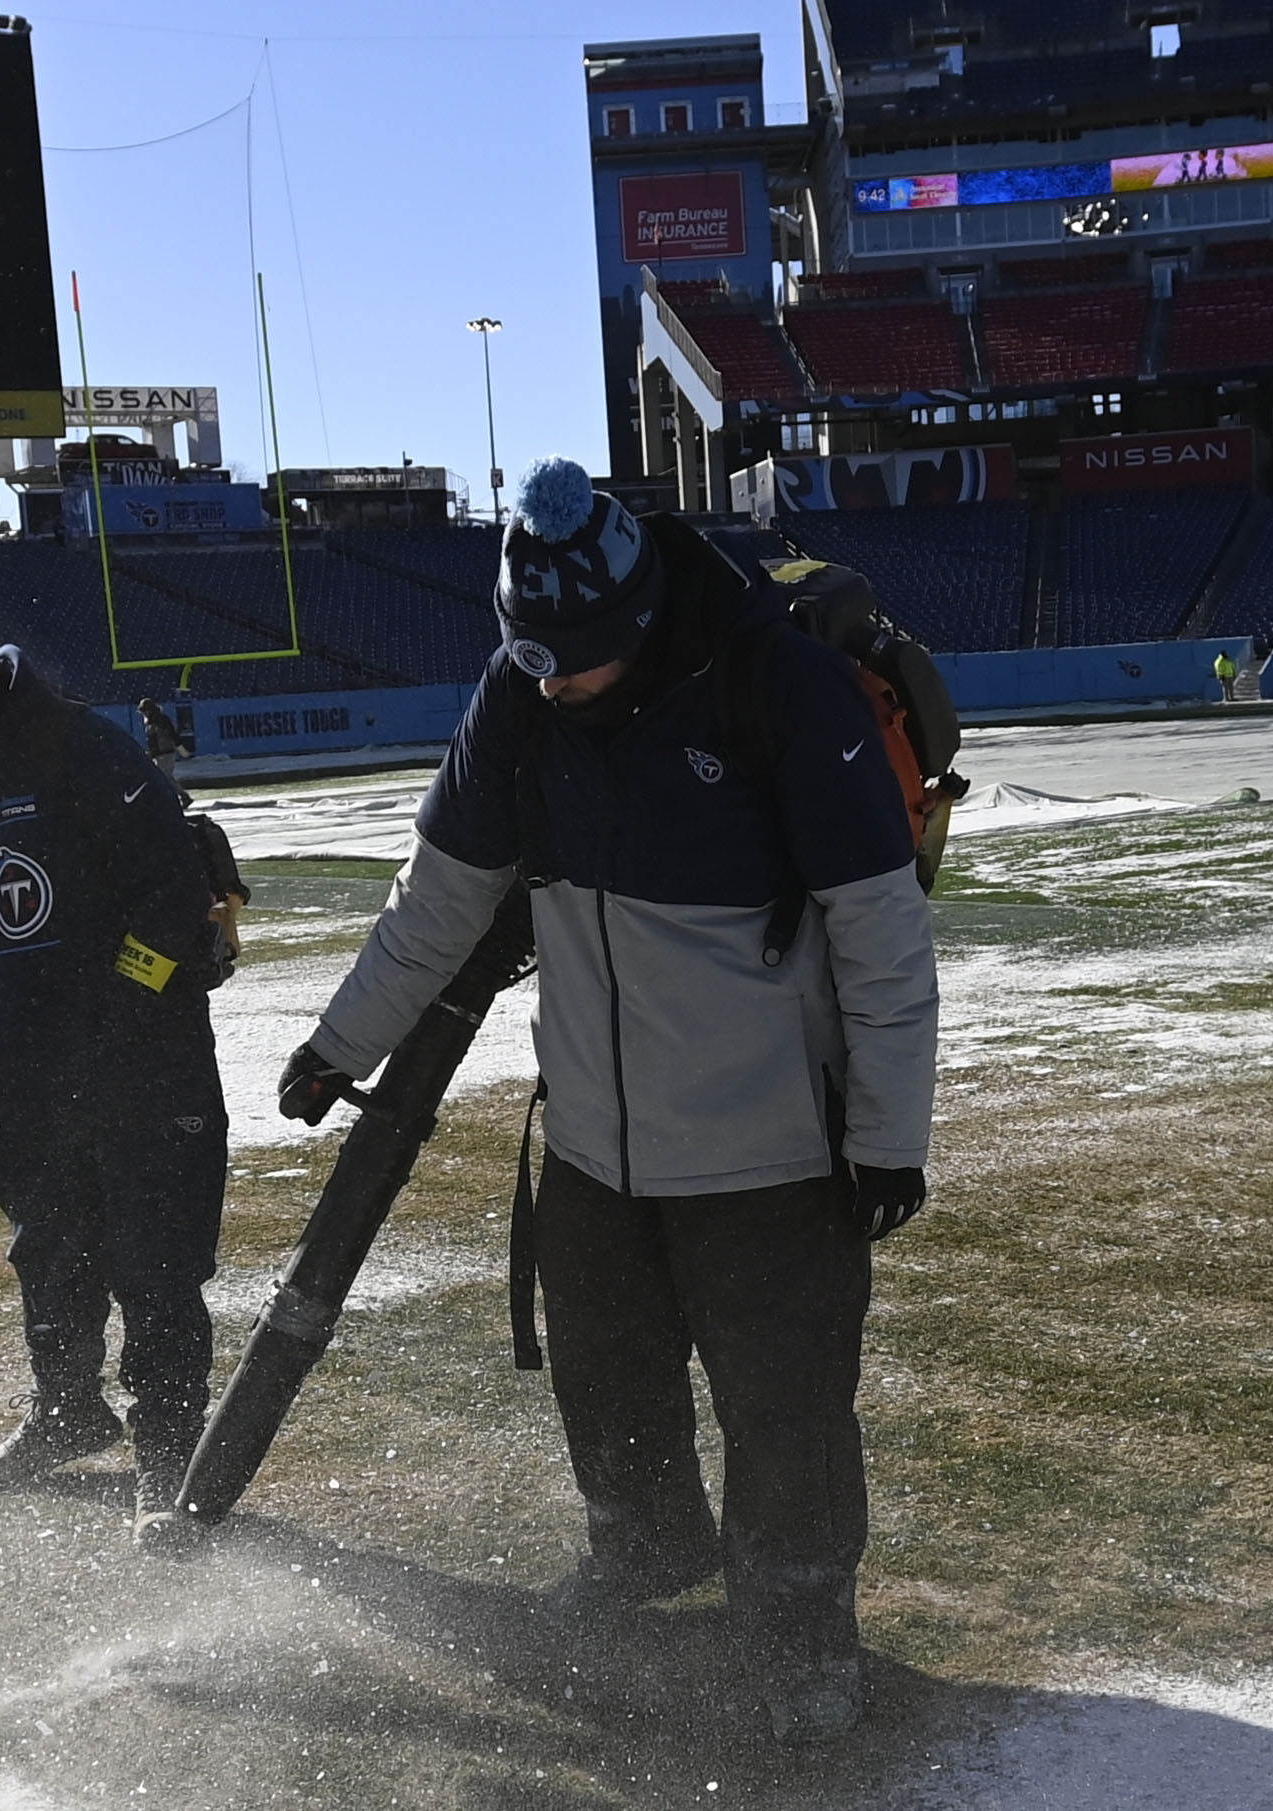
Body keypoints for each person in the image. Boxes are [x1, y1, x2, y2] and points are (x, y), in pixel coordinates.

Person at [275, 459, 939, 1744]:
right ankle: (643, 1558)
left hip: (771, 1155)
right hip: (593, 1144)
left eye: (568, 661)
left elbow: (879, 928)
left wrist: (888, 1136)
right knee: (608, 1380)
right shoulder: (521, 693)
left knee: (783, 1409)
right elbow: (438, 902)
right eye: (525, 657)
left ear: (634, 629)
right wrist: (336, 1044)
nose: (546, 682)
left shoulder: (771, 685)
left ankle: (802, 1637)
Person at [0, 545, 231, 1549]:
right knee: (50, 1254)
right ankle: (69, 1410)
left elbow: (173, 899)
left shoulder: (82, 749)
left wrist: (114, 1018)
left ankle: (168, 1458)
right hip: (20, 1078)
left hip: (141, 1065)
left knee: (154, 1265)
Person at [138, 698, 185, 783]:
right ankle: (181, 794)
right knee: (166, 777)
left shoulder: (160, 721)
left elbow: (171, 734)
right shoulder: (152, 722)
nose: (143, 714)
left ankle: (180, 795)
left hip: (165, 752)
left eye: (144, 711)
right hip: (160, 753)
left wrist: (180, 747)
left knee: (164, 777)